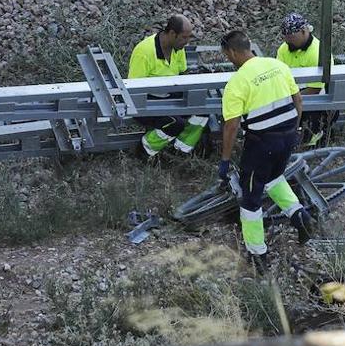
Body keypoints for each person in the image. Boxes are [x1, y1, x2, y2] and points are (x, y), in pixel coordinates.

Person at [217, 29, 315, 267]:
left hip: (261, 144)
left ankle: (257, 253)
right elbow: (298, 101)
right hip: (288, 135)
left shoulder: (237, 82)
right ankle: (299, 216)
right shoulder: (277, 65)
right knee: (273, 177)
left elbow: (231, 126)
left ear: (231, 52)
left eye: (227, 56)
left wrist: (225, 160)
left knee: (251, 199)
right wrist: (293, 129)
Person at [127, 14, 209, 157]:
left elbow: (182, 73)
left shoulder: (178, 48)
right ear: (172, 33)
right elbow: (134, 90)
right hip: (147, 102)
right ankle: (145, 150)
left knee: (202, 109)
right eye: (184, 37)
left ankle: (181, 150)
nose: (187, 42)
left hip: (170, 95)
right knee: (174, 123)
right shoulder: (145, 52)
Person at [276, 13, 332, 147]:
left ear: (304, 31)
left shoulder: (318, 52)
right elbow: (278, 76)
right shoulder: (284, 49)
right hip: (291, 94)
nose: (289, 41)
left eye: (292, 37)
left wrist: (290, 100)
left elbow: (315, 89)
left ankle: (312, 139)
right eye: (286, 38)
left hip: (314, 99)